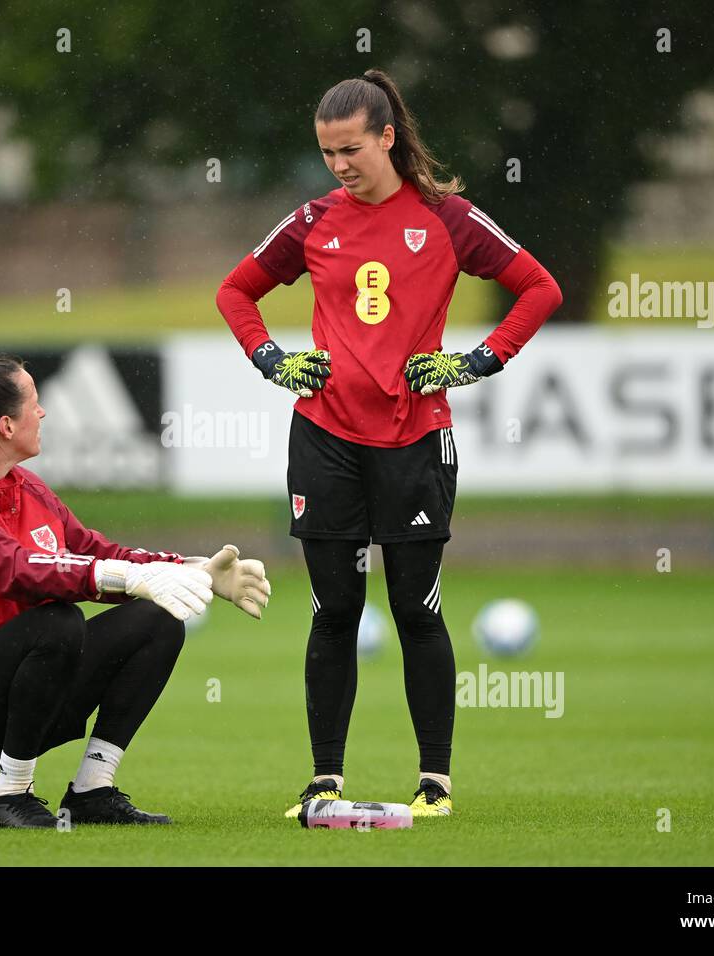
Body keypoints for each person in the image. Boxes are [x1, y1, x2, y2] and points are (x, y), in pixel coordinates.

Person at [215, 69, 562, 818]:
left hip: (415, 440)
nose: (338, 165)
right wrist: (271, 359)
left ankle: (434, 780)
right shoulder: (311, 220)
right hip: (325, 437)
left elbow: (540, 289)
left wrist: (478, 360)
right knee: (334, 611)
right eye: (327, 152)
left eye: (350, 150)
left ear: (387, 138)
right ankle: (324, 778)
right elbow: (234, 291)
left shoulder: (447, 217)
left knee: (416, 610)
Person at [0, 356, 271, 828]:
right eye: (34, 403)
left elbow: (93, 551)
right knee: (56, 621)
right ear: (6, 425)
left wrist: (194, 570)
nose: (42, 413)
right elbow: (11, 567)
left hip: (12, 698)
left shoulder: (28, 488)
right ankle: (11, 796)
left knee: (157, 618)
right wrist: (120, 577)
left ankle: (91, 791)